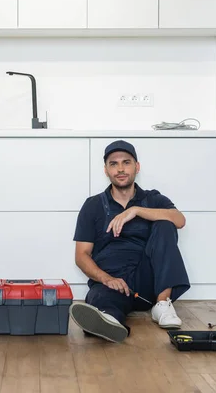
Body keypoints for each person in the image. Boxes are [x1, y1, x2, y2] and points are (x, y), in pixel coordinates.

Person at [69, 140, 191, 343]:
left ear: (137, 167)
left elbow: (180, 220)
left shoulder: (153, 199)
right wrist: (106, 278)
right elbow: (81, 255)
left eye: (126, 162)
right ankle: (108, 321)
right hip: (113, 280)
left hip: (148, 281)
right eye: (113, 164)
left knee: (165, 223)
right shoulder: (92, 205)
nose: (120, 169)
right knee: (100, 299)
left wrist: (135, 211)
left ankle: (162, 305)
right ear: (106, 170)